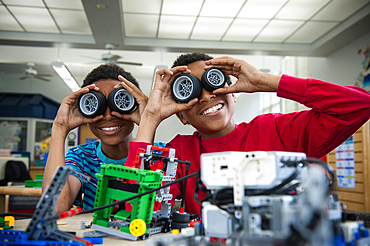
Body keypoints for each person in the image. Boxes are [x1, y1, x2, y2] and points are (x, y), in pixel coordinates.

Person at [125, 52, 370, 216]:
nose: (207, 96)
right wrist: (150, 118)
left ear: (232, 92)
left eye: (214, 84)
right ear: (181, 115)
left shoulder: (275, 131)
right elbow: (134, 210)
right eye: (190, 92)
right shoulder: (178, 152)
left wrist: (266, 81)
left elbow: (358, 105)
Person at [42, 63, 148, 213]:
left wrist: (148, 121)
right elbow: (54, 208)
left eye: (119, 104)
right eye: (97, 107)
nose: (108, 116)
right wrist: (59, 128)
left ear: (135, 105)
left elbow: (139, 206)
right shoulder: (81, 158)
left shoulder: (159, 155)